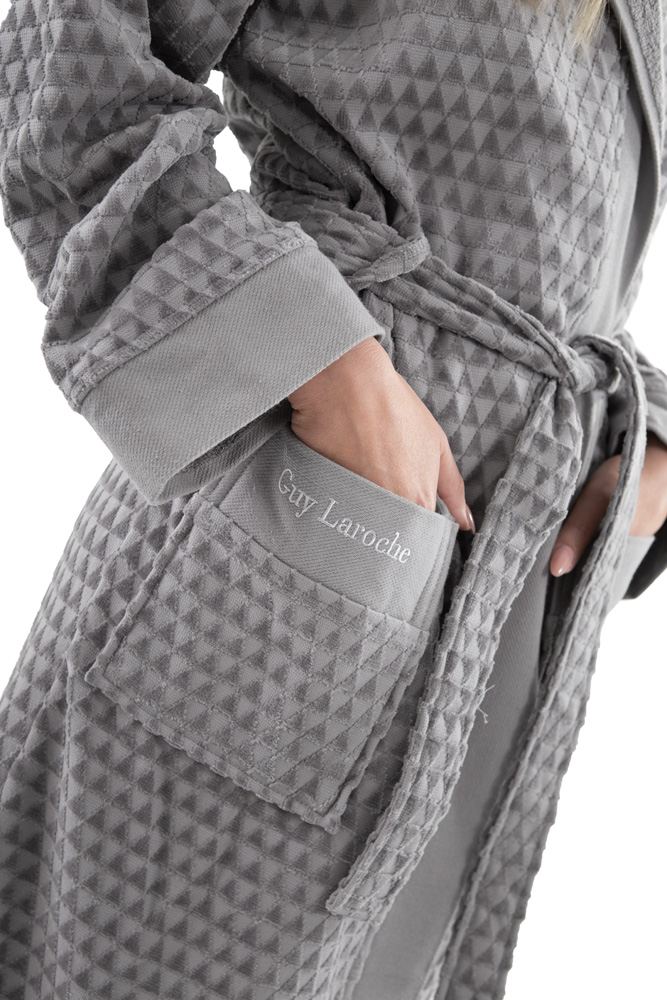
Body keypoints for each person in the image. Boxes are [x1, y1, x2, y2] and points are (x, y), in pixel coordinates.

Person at [0, 1, 665, 998]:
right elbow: (67, 61)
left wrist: (650, 437)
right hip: (289, 529)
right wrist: (325, 366)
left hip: (501, 598)